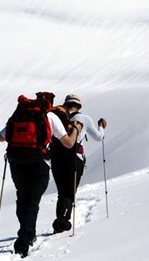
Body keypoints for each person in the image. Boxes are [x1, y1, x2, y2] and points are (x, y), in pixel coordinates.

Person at [0, 92, 83, 257]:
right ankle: (25, 239)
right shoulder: (50, 117)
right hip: (38, 162)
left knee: (23, 199)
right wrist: (76, 130)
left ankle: (27, 233)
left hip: (16, 162)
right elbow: (69, 143)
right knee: (32, 201)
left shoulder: (21, 115)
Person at [50, 93, 107, 234]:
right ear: (78, 105)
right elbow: (99, 137)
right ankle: (62, 222)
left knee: (62, 192)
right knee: (69, 193)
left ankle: (60, 221)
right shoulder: (84, 119)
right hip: (75, 158)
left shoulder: (56, 118)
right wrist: (101, 126)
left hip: (56, 158)